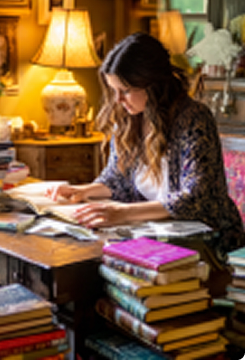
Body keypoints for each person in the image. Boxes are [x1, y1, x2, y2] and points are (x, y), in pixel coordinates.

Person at [46, 32, 244, 263]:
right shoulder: (129, 118)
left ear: (153, 84)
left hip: (209, 246)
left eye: (126, 90)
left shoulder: (194, 118)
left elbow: (196, 198)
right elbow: (117, 178)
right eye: (114, 90)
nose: (118, 99)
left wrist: (123, 214)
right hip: (157, 237)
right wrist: (83, 190)